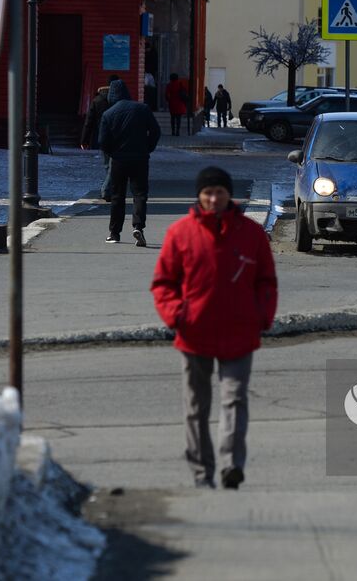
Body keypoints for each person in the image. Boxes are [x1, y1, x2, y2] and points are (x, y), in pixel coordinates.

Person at [151, 166, 277, 489]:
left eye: (219, 192)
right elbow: (164, 283)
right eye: (207, 192)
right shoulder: (180, 234)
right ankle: (201, 473)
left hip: (240, 332)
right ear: (199, 195)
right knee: (196, 408)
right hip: (194, 333)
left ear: (228, 194)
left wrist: (261, 315)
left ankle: (230, 465)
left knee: (235, 400)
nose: (213, 198)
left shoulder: (250, 234)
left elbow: (266, 281)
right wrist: (177, 316)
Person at [98, 78, 160, 245]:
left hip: (119, 160)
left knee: (118, 196)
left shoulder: (108, 114)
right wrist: (148, 148)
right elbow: (155, 130)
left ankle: (114, 233)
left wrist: (112, 153)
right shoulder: (142, 109)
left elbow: (103, 141)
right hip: (140, 158)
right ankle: (138, 227)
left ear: (111, 95)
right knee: (140, 194)